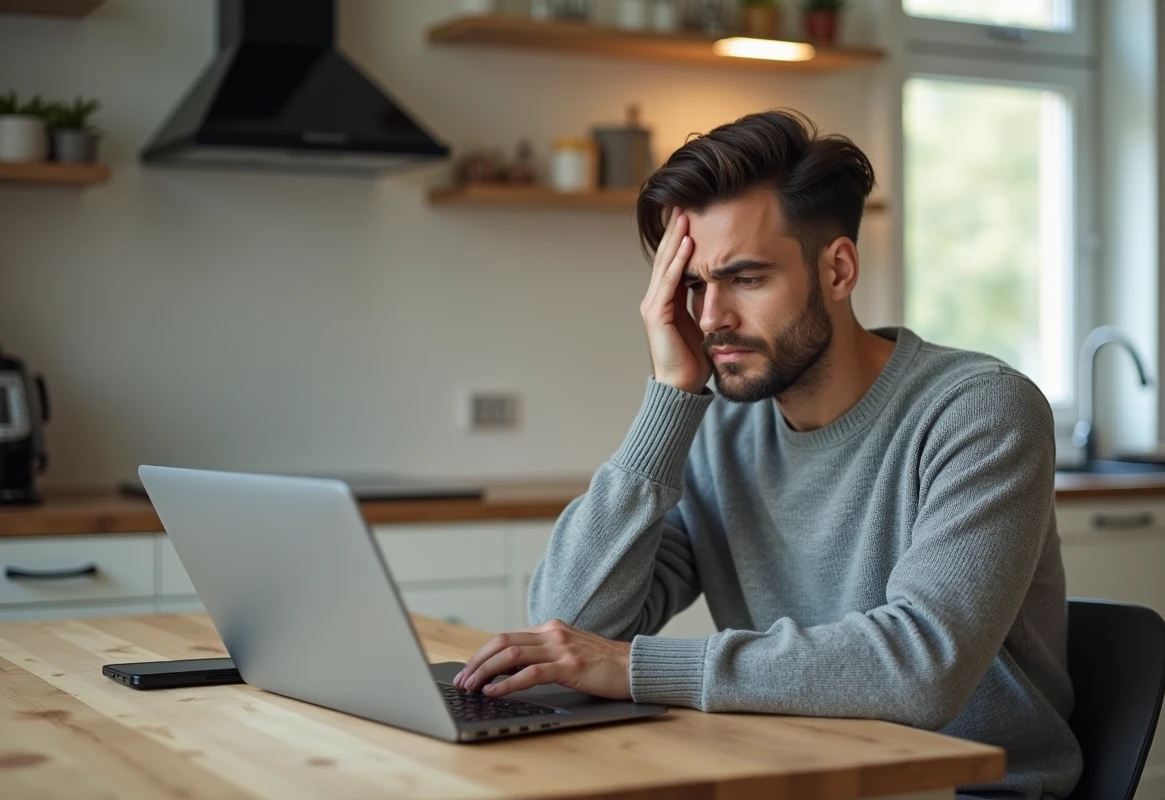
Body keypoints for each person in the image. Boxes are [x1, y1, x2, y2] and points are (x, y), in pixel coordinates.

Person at [452, 109, 1082, 799]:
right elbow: (569, 626)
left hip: (970, 789)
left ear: (838, 269)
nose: (712, 317)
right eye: (693, 286)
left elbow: (922, 665)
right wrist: (670, 397)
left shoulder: (981, 410)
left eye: (746, 279)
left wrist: (635, 668)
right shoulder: (720, 428)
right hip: (793, 775)